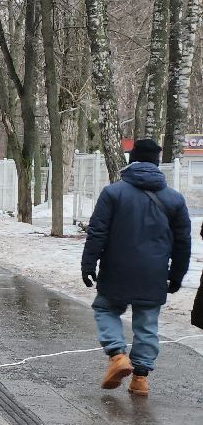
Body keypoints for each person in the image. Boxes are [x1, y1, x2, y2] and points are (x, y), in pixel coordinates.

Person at [81, 137, 190, 397]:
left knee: (105, 308)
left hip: (116, 270)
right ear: (157, 164)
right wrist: (177, 275)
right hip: (154, 274)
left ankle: (117, 355)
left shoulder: (113, 192)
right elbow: (183, 242)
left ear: (132, 160)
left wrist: (88, 263)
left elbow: (97, 232)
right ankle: (140, 379)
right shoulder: (174, 199)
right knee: (147, 324)